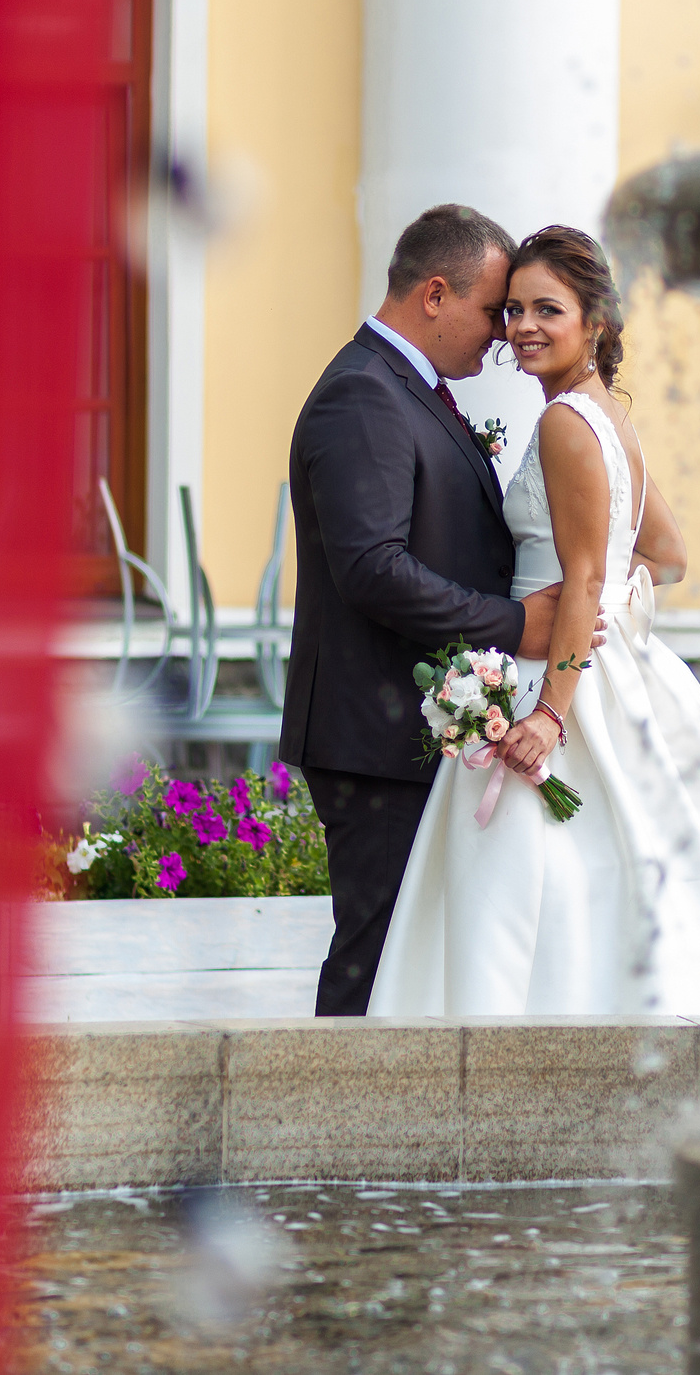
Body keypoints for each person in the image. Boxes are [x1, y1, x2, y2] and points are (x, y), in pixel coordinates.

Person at [367, 226, 700, 1017]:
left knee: (523, 886)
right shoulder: (608, 416)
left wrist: (551, 712)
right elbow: (666, 552)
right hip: (608, 663)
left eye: (546, 309)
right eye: (513, 308)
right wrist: (612, 608)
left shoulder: (564, 423)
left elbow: (588, 572)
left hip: (553, 679)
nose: (521, 325)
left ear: (595, 321)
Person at [280, 204, 588, 1016]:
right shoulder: (362, 395)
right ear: (436, 294)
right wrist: (512, 624)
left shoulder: (408, 389)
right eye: (493, 309)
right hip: (374, 733)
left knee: (415, 953)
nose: (501, 333)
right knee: (376, 951)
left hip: (413, 720)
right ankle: (335, 1128)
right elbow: (374, 568)